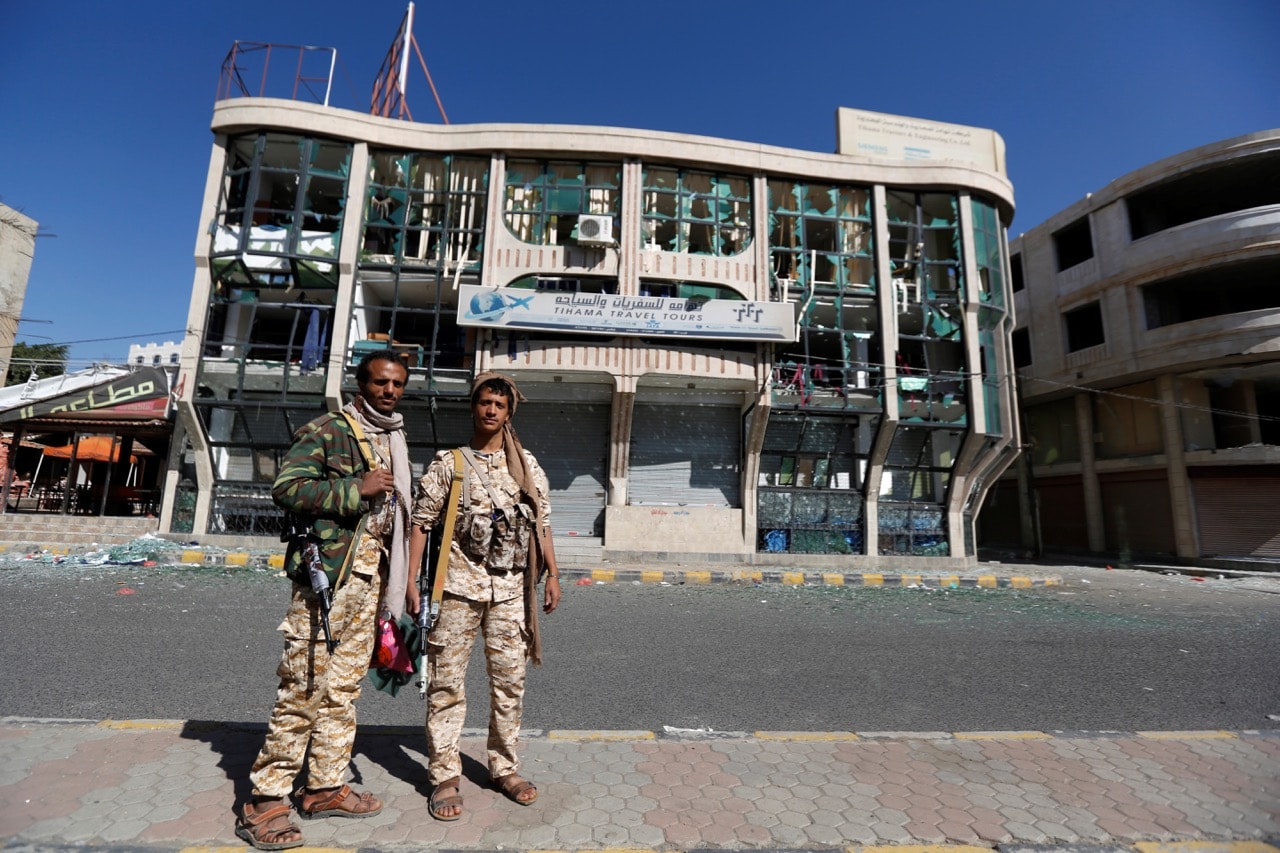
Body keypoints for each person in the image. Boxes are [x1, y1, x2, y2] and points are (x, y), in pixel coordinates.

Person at [235, 350, 413, 850]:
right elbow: (287, 487)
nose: (390, 391)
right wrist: (355, 488)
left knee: (343, 691)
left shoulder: (395, 437)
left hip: (370, 580)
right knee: (303, 686)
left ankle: (325, 786)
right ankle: (265, 800)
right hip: (328, 578)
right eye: (381, 382)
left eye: (398, 384)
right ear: (363, 384)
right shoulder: (331, 429)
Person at [408, 371, 561, 821]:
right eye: (484, 402)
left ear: (509, 413)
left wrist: (552, 573)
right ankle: (444, 776)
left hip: (511, 589)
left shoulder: (526, 466)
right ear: (473, 408)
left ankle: (504, 767)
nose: (491, 409)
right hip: (456, 588)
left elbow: (542, 524)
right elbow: (422, 523)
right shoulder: (449, 464)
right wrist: (412, 582)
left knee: (510, 683)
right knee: (445, 684)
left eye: (500, 404)